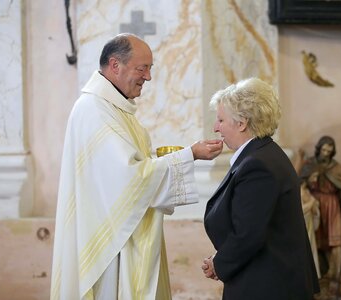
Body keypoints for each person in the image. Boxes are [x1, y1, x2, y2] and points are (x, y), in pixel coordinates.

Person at [50, 33, 223, 300]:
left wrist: (171, 158)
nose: (148, 77)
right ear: (115, 65)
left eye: (150, 68)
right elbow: (129, 178)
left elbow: (129, 168)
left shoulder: (113, 109)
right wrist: (189, 155)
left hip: (119, 233)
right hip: (109, 243)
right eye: (142, 68)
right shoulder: (94, 110)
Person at [201, 77, 319, 299]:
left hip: (268, 285)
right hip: (266, 279)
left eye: (220, 120)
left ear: (242, 122)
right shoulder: (263, 154)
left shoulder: (257, 164)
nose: (215, 128)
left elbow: (249, 233)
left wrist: (219, 263)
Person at [299, 136, 341, 287]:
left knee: (337, 241)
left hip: (333, 204)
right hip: (315, 205)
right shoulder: (310, 164)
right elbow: (300, 182)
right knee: (316, 242)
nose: (326, 153)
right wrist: (310, 180)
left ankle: (337, 275)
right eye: (324, 149)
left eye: (329, 150)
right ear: (319, 148)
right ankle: (319, 277)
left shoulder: (336, 167)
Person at [301, 171, 321, 279]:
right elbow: (299, 211)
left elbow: (314, 211)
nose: (315, 180)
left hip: (310, 229)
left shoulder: (307, 192)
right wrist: (312, 203)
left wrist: (315, 207)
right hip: (302, 231)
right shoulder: (298, 192)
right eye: (314, 177)